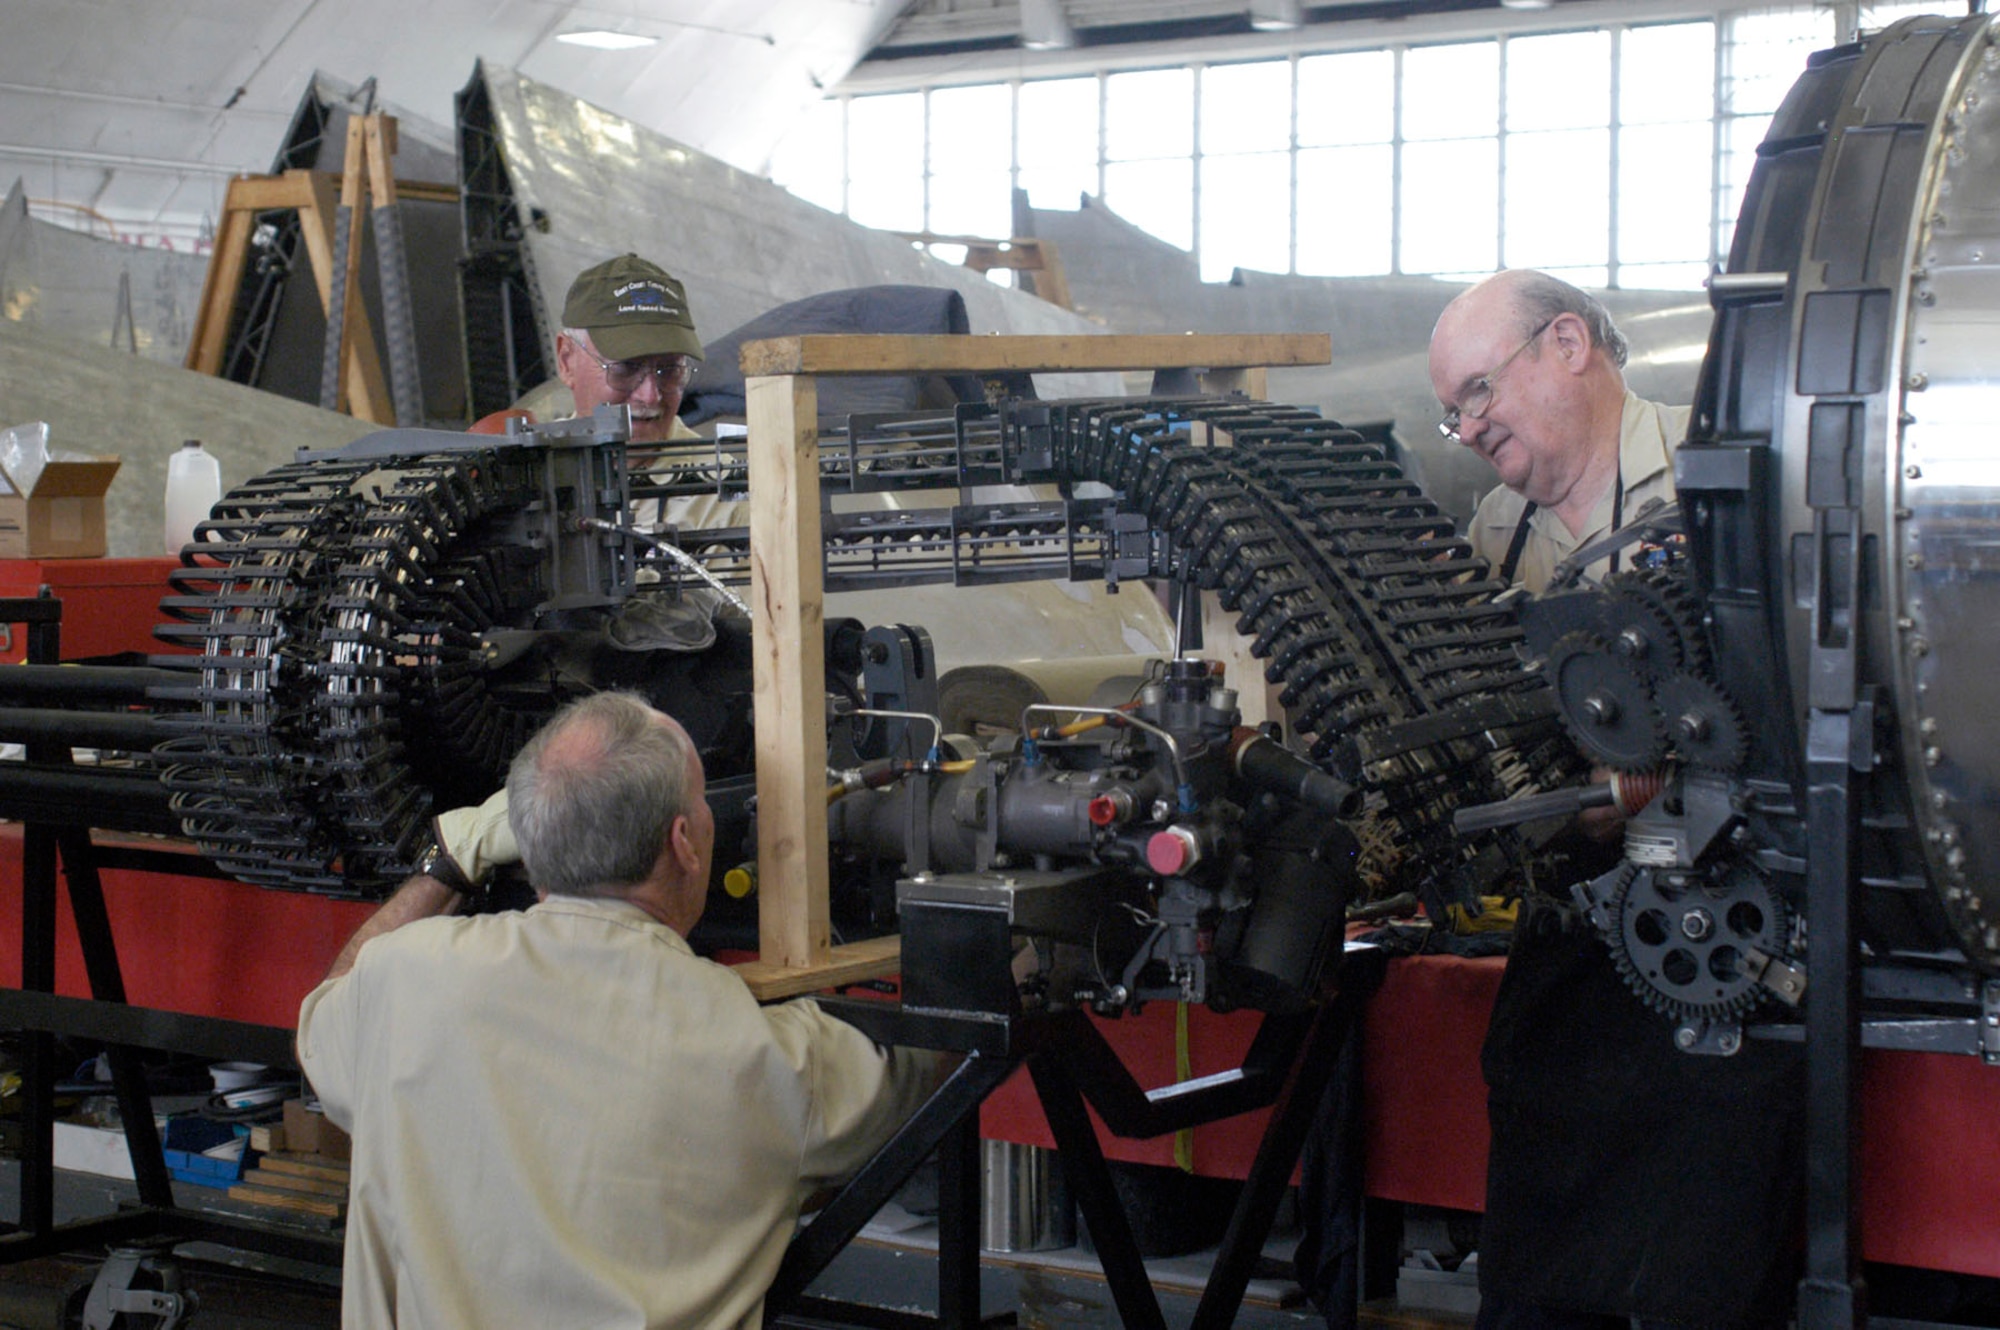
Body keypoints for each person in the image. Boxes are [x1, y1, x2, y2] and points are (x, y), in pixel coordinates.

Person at [296, 691, 932, 1328]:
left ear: (525, 833)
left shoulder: (404, 979)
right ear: (683, 843)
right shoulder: (764, 1053)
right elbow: (936, 1057)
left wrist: (450, 860)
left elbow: (323, 1021)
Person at [1427, 271, 1804, 1330]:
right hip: (1578, 929)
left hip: (1728, 938)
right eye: (1450, 410)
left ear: (1564, 344)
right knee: (1540, 1259)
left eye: (1476, 391)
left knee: (1704, 1270)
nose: (1465, 427)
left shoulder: (1720, 486)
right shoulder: (1497, 530)